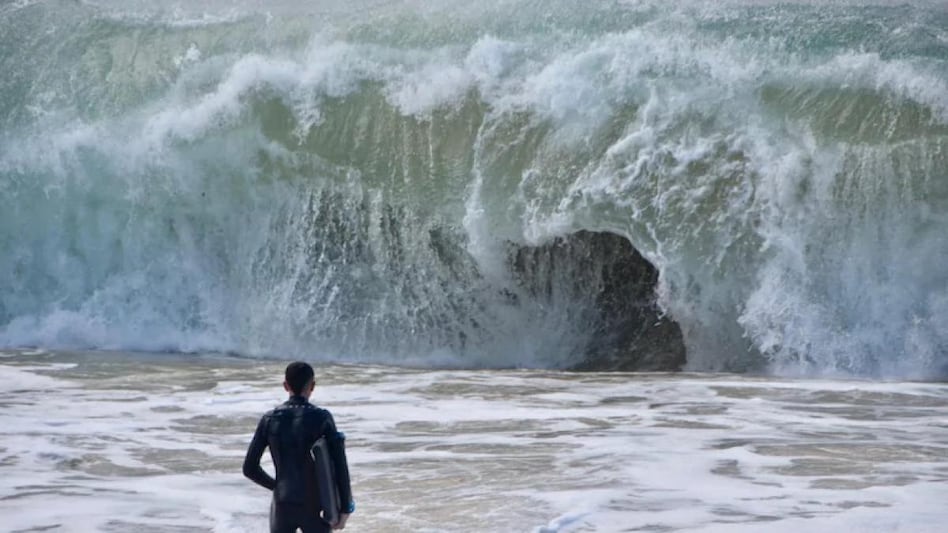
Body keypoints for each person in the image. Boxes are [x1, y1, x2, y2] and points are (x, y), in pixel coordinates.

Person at [243, 361, 355, 533]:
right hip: (315, 503)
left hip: (283, 503)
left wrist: (277, 486)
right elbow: (340, 465)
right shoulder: (322, 418)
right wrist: (346, 507)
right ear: (312, 386)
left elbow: (249, 468)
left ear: (285, 386)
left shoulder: (270, 419)